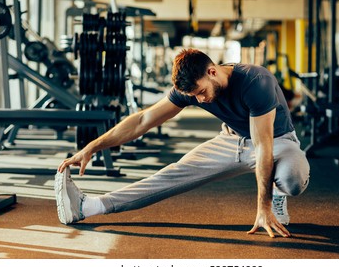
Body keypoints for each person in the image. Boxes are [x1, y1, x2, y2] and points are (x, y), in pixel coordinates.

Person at [55, 48, 310, 238]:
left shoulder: (255, 81)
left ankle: (277, 194)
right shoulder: (191, 87)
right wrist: (92, 147)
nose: (199, 100)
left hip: (276, 141)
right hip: (231, 140)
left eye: (201, 93)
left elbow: (263, 145)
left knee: (292, 179)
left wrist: (263, 207)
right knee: (173, 174)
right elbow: (143, 120)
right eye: (193, 97)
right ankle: (88, 206)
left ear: (212, 72)